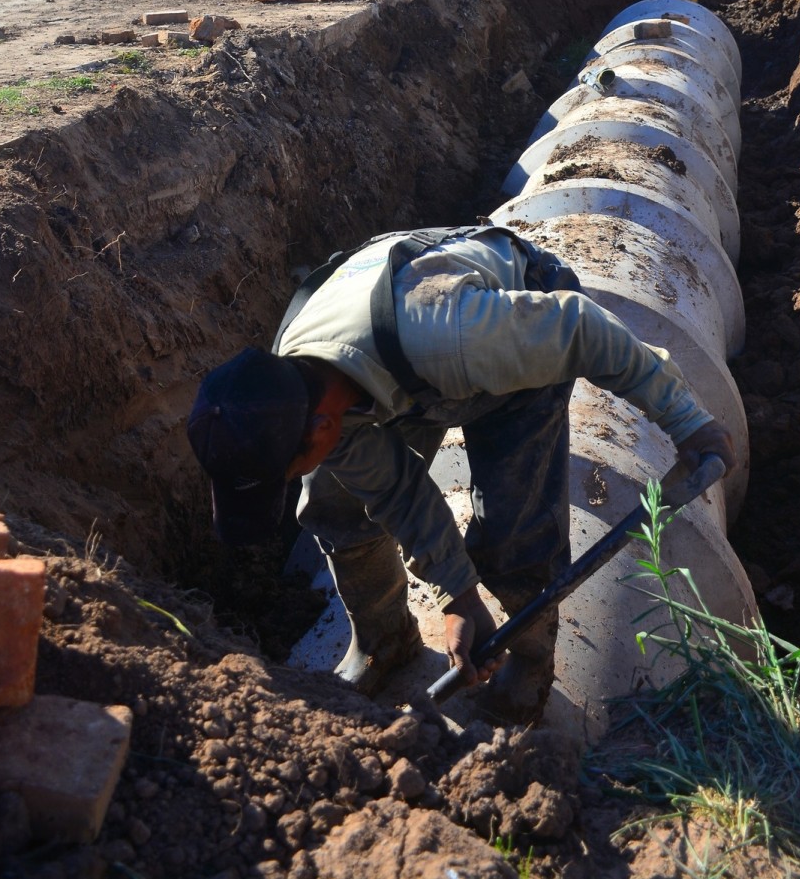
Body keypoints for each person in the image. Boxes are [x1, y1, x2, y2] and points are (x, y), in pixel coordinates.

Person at [188, 224, 735, 724]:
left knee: (513, 530)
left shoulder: (456, 337)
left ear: (319, 427)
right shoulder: (298, 389)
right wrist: (460, 599)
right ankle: (385, 640)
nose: (292, 477)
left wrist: (687, 421)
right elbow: (400, 493)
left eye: (289, 469)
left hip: (501, 323)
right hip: (392, 369)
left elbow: (583, 328)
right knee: (334, 503)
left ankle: (533, 659)